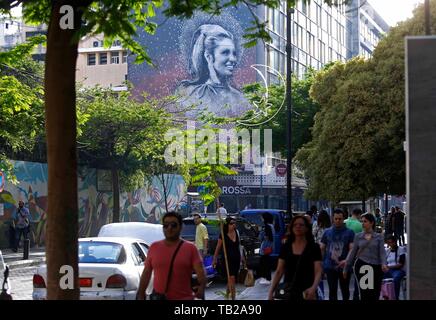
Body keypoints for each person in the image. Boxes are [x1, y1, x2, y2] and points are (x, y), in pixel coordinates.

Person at [176, 24, 250, 118]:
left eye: (234, 53)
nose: (233, 59)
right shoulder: (189, 94)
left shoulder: (240, 99)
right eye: (225, 52)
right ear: (208, 57)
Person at [137, 211, 206, 300]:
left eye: (173, 225)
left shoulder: (190, 248)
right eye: (166, 225)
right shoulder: (154, 247)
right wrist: (141, 293)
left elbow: (201, 272)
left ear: (180, 227)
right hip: (160, 298)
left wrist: (201, 288)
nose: (169, 228)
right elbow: (146, 273)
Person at [268, 215, 322, 300]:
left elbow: (318, 270)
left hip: (307, 291)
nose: (298, 227)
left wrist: (313, 288)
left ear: (307, 228)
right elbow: (279, 271)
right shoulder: (286, 247)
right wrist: (271, 291)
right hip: (289, 291)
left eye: (301, 225)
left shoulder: (314, 247)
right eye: (295, 225)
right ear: (292, 228)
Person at [344, 213, 388, 301]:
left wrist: (384, 264)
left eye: (365, 221)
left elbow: (382, 252)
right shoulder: (358, 236)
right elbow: (352, 252)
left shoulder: (378, 237)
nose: (363, 224)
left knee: (375, 292)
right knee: (365, 293)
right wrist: (346, 267)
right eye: (362, 221)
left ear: (371, 223)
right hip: (362, 266)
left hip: (376, 266)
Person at [320, 208, 355, 301]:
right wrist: (321, 264)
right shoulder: (327, 232)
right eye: (336, 219)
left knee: (345, 291)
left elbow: (352, 249)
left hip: (345, 266)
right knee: (332, 291)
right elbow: (322, 249)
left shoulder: (350, 232)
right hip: (330, 266)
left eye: (340, 219)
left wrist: (347, 261)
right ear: (332, 218)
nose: (338, 221)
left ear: (343, 218)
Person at [212, 216, 245, 300]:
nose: (233, 225)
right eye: (231, 223)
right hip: (227, 260)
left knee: (231, 279)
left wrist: (242, 257)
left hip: (236, 259)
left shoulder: (236, 232)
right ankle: (233, 298)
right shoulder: (223, 234)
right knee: (232, 279)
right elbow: (218, 247)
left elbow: (239, 245)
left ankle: (226, 296)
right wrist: (214, 259)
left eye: (234, 223)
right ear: (227, 225)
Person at [383, 235, 406, 300]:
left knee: (396, 279)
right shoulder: (387, 251)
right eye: (389, 243)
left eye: (391, 242)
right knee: (379, 277)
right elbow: (385, 261)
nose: (390, 244)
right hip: (389, 270)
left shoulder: (401, 250)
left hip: (398, 270)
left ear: (395, 242)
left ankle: (395, 297)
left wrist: (389, 267)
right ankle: (386, 296)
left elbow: (401, 264)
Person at [258, 212, 275, 285]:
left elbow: (260, 237)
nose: (261, 219)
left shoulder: (265, 227)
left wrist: (260, 231)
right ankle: (268, 278)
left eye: (262, 217)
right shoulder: (272, 226)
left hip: (265, 248)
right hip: (270, 248)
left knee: (264, 263)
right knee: (267, 263)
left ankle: (266, 278)